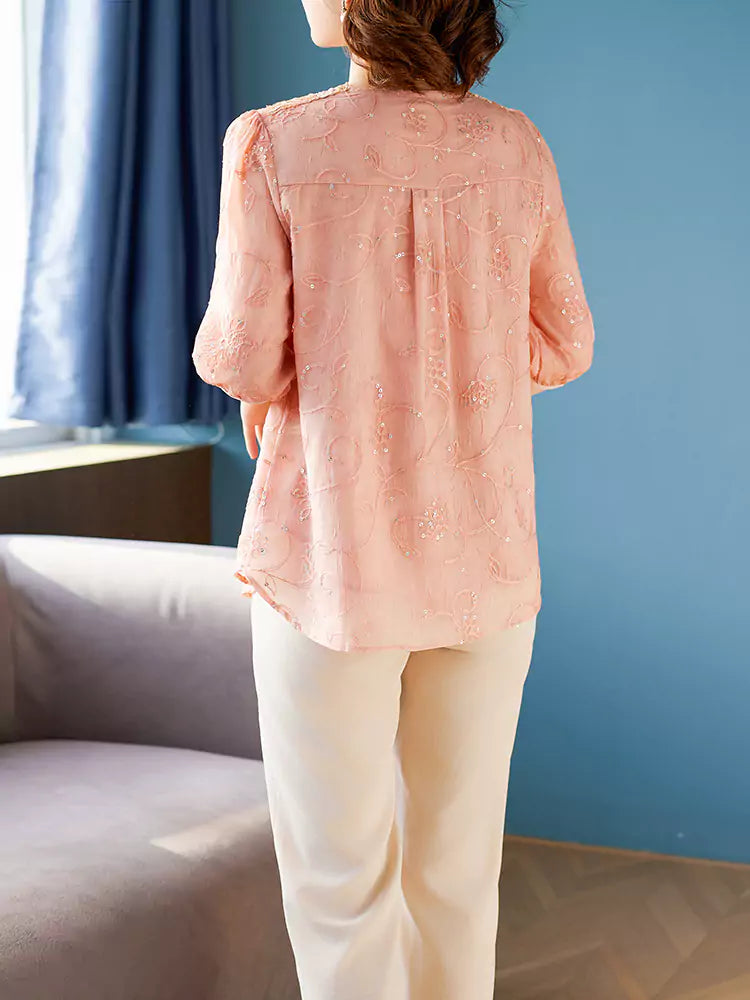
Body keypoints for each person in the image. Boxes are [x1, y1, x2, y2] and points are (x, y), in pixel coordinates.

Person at [192, 1, 595, 997]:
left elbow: (239, 354)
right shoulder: (516, 146)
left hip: (329, 564)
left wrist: (308, 378)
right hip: (485, 565)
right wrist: (457, 364)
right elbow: (565, 341)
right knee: (458, 879)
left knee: (339, 888)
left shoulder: (273, 143)